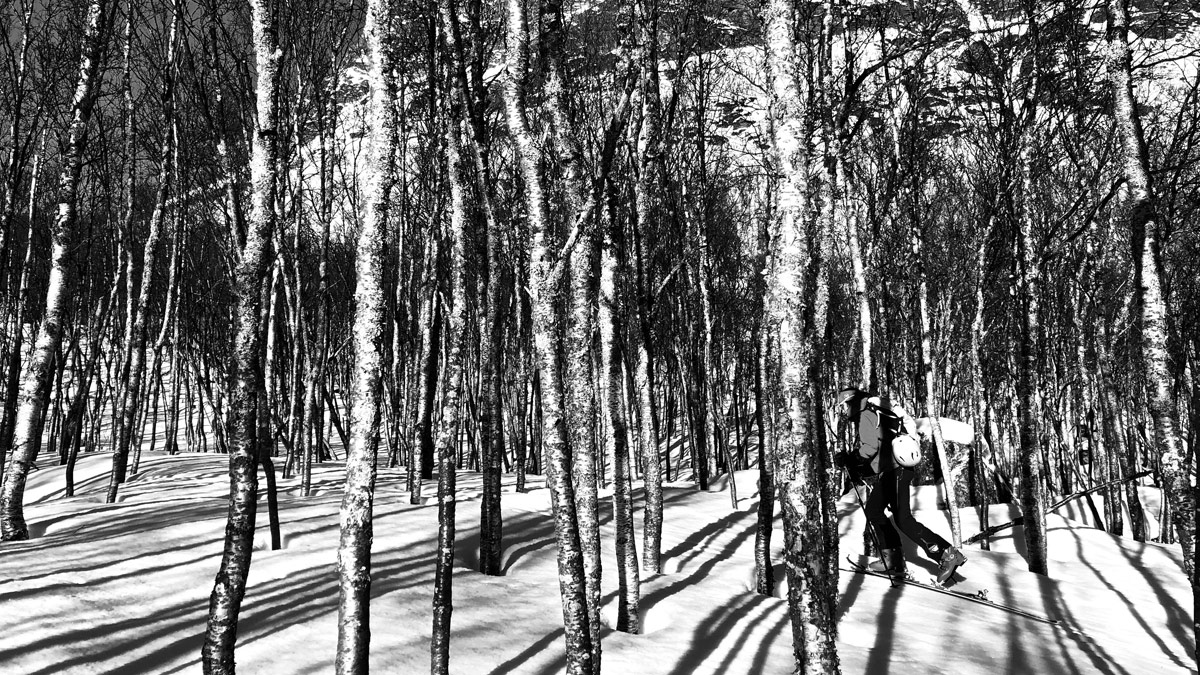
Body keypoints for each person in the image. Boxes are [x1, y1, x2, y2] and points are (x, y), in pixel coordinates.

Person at [834, 387, 966, 584]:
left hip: (896, 471)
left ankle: (946, 554)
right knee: (876, 512)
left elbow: (869, 448)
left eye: (843, 406)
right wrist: (862, 468)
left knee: (900, 518)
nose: (844, 412)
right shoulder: (874, 411)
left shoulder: (865, 415)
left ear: (851, 403)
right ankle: (893, 559)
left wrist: (850, 459)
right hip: (896, 470)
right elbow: (881, 450)